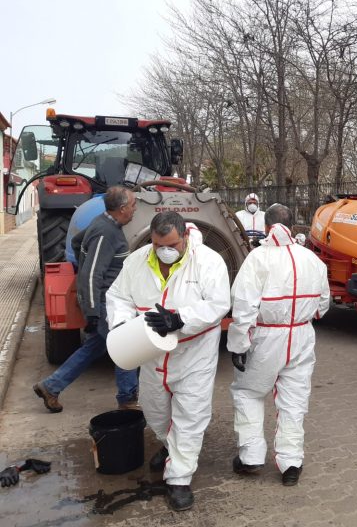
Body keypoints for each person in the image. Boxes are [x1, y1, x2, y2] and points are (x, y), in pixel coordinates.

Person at [106, 212, 230, 512]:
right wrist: (121, 323)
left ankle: (179, 479)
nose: (165, 250)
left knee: (190, 416)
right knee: (155, 410)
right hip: (151, 354)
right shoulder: (137, 261)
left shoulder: (209, 262)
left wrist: (179, 319)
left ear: (185, 236)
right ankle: (169, 445)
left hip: (193, 354)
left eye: (172, 244)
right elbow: (118, 296)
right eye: (158, 244)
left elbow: (218, 303)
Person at [228, 203, 330, 487]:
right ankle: (291, 462)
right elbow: (323, 304)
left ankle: (251, 456)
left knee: (248, 392)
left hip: (265, 338)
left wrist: (238, 344)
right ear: (293, 224)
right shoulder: (312, 260)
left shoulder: (257, 259)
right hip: (301, 337)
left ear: (265, 226)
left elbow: (243, 306)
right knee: (294, 401)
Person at [34, 187, 139, 413]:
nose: (135, 209)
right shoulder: (106, 233)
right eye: (133, 205)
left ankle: (51, 386)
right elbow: (91, 274)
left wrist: (85, 258)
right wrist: (91, 311)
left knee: (95, 347)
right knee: (125, 347)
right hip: (104, 303)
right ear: (122, 209)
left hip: (105, 301)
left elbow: (77, 243)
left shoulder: (103, 222)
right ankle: (127, 399)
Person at [65, 193, 106, 268]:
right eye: (132, 206)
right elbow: (76, 241)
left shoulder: (89, 208)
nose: (135, 208)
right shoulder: (104, 224)